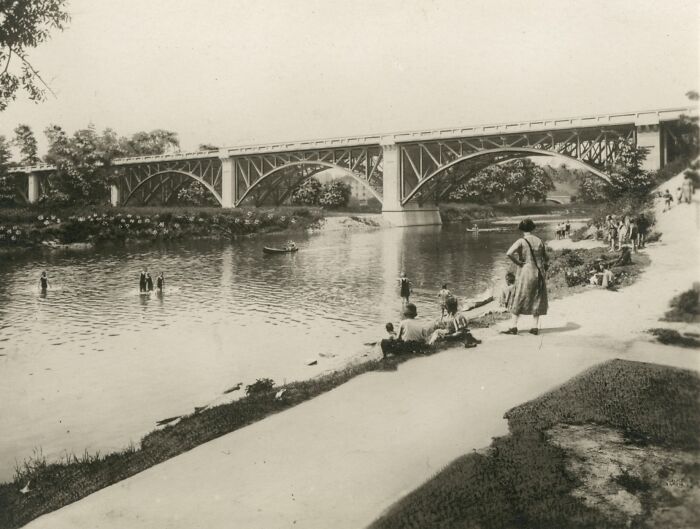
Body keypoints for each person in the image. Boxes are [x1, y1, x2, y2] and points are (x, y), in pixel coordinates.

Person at [502, 218, 549, 335]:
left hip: (525, 272)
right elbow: (546, 258)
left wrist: (518, 262)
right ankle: (534, 327)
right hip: (538, 272)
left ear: (522, 229)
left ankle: (513, 326)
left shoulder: (521, 241)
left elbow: (508, 253)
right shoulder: (539, 241)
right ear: (532, 228)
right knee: (537, 298)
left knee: (519, 296)